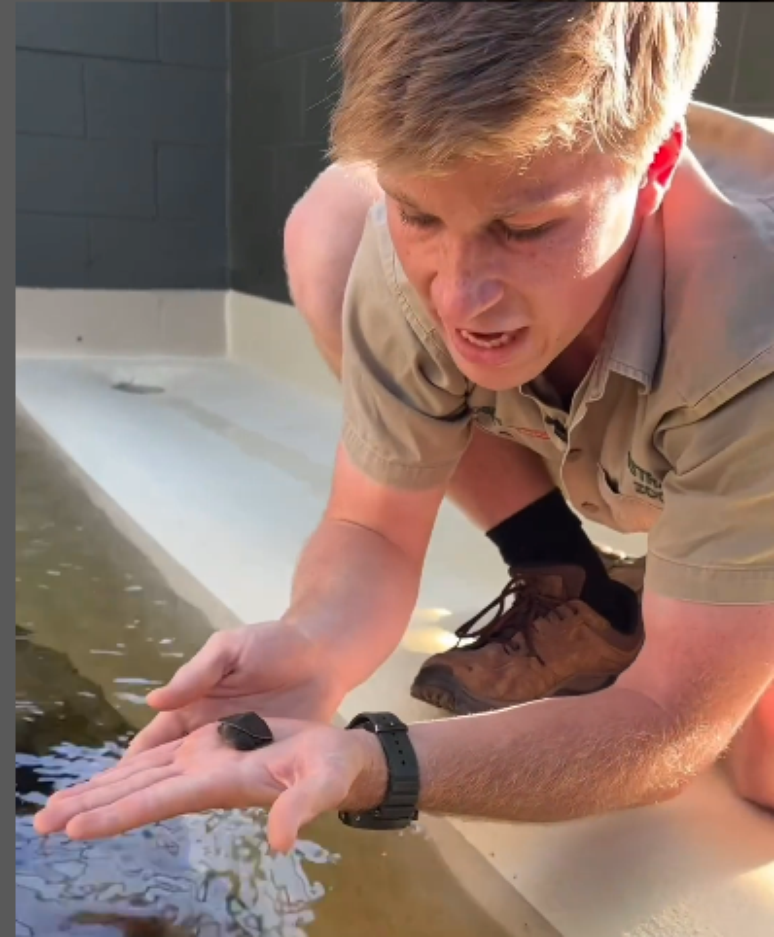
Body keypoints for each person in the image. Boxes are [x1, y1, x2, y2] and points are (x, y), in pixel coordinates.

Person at [35, 2, 774, 855]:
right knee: (330, 222)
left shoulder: (751, 335)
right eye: (418, 214)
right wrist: (315, 645)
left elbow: (667, 718)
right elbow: (373, 529)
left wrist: (379, 762)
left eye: (524, 228)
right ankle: (590, 584)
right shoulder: (411, 248)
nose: (458, 298)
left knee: (760, 769)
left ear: (657, 165)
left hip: (746, 391)